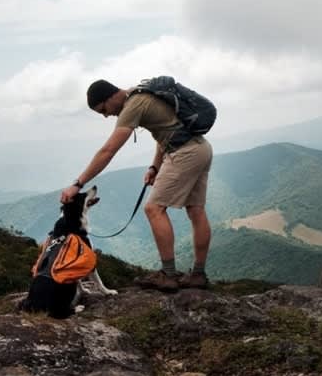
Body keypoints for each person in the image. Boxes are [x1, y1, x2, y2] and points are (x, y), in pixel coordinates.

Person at [60, 78, 214, 291]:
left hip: (184, 154)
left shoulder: (132, 106)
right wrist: (154, 167)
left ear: (111, 96)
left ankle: (168, 275)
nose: (106, 115)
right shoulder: (142, 94)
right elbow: (164, 131)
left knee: (153, 209)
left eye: (103, 109)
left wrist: (78, 184)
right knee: (196, 211)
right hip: (201, 149)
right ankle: (198, 274)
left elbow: (108, 151)